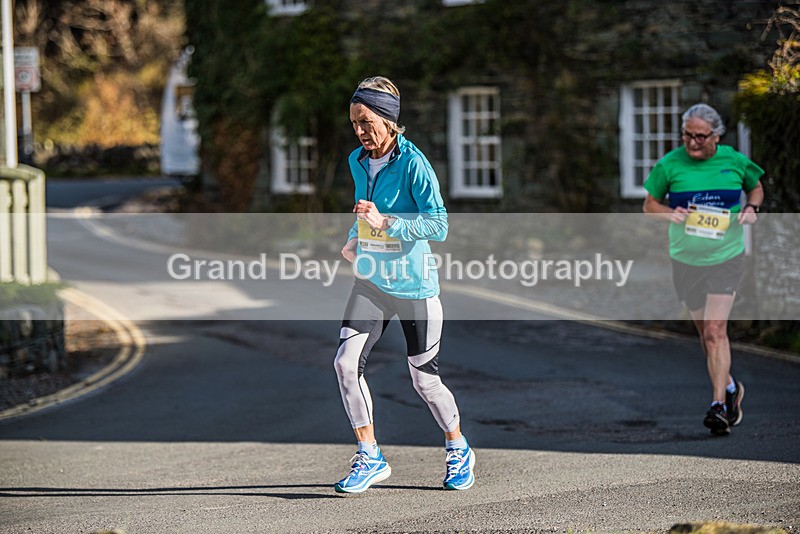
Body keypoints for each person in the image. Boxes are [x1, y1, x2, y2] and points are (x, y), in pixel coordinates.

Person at [332, 76, 475, 493]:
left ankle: (457, 446)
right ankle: (370, 455)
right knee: (344, 363)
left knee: (424, 380)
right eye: (354, 123)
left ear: (389, 121)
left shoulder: (414, 164)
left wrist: (387, 223)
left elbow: (439, 224)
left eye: (366, 122)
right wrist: (354, 239)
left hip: (414, 287)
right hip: (372, 283)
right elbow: (365, 211)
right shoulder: (357, 161)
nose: (360, 132)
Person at [643, 103, 764, 435]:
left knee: (715, 331)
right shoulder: (669, 164)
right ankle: (730, 387)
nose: (693, 142)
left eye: (700, 136)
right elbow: (649, 204)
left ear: (716, 135)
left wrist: (752, 207)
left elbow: (756, 186)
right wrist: (670, 213)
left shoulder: (734, 161)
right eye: (687, 135)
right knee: (705, 334)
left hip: (726, 256)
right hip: (685, 260)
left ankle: (718, 406)